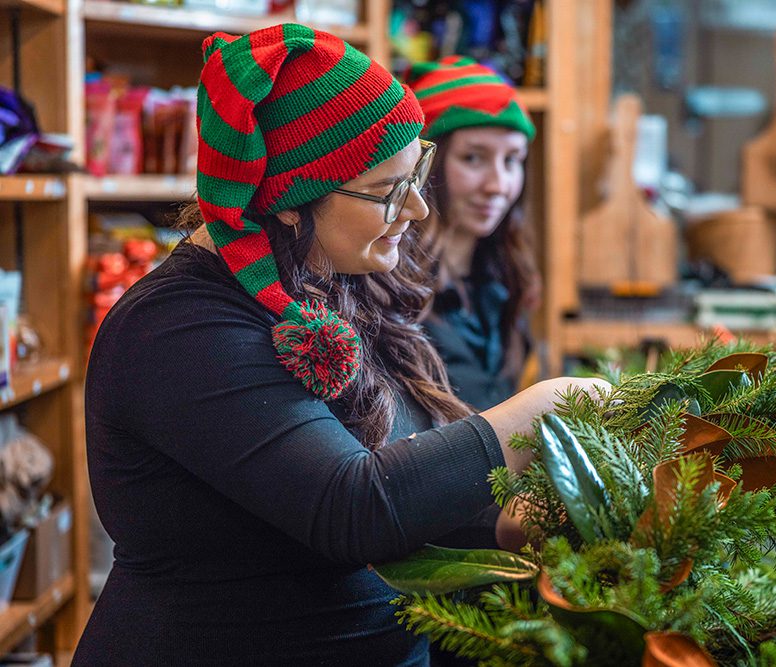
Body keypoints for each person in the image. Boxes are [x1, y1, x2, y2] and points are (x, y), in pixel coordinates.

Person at [75, 25, 606, 666]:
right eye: (387, 191)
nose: (417, 211)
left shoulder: (327, 281)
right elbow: (351, 506)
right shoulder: (176, 332)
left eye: (417, 176)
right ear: (291, 203)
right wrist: (552, 404)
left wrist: (503, 524)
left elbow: (381, 480)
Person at [406, 57, 540, 411]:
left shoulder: (504, 280)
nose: (498, 186)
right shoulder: (392, 290)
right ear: (424, 162)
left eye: (512, 160)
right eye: (473, 158)